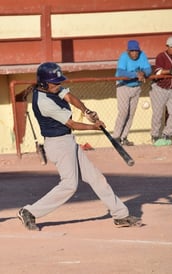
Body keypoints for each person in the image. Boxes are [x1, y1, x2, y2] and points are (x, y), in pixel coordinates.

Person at [17, 62, 141, 231]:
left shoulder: (53, 88)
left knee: (96, 178)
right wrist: (94, 127)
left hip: (67, 141)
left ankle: (120, 215)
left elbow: (69, 96)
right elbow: (71, 123)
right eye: (54, 82)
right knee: (69, 184)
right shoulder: (44, 102)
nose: (58, 85)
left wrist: (86, 111)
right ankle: (29, 212)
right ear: (43, 83)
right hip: (58, 145)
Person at [112, 40, 152, 146]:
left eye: (136, 51)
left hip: (136, 87)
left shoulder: (142, 55)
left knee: (131, 114)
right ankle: (116, 137)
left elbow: (148, 69)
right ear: (128, 51)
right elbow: (121, 72)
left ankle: (124, 137)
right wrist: (136, 74)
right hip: (123, 86)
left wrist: (143, 73)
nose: (135, 53)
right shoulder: (123, 57)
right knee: (123, 112)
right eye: (132, 51)